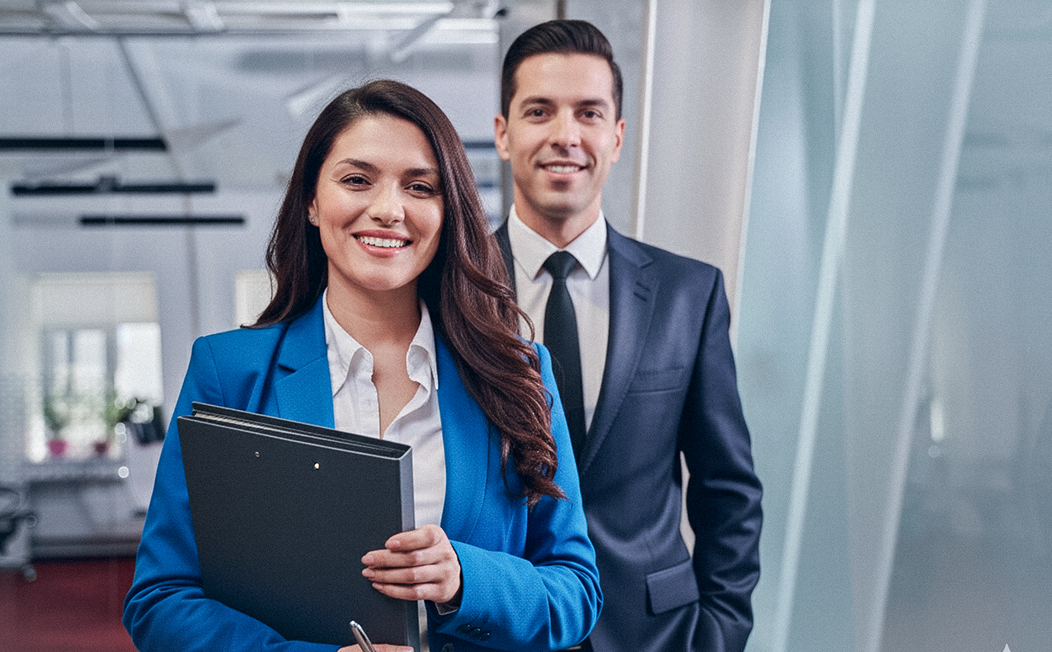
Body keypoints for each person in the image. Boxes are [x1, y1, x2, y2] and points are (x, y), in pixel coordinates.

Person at [123, 79, 602, 652]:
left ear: (448, 211)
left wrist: (463, 581)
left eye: (420, 186)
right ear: (311, 200)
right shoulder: (228, 371)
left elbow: (575, 591)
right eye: (356, 180)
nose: (387, 210)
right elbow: (161, 598)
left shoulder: (516, 372)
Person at [491, 20, 764, 652]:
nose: (566, 135)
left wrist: (719, 635)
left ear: (616, 137)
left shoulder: (688, 294)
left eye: (589, 113)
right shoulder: (450, 289)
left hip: (657, 633)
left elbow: (729, 491)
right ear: (504, 134)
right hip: (502, 628)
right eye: (539, 111)